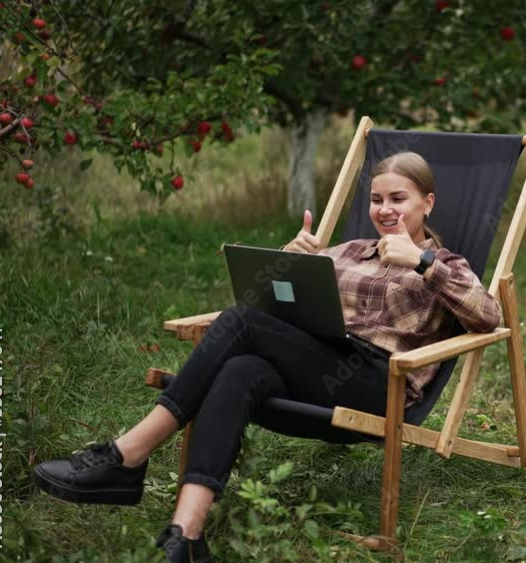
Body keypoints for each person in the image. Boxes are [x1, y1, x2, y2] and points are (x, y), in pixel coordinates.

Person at [32, 152, 501, 562]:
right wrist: (288, 259)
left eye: (398, 199)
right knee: (241, 369)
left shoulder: (447, 264)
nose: (385, 210)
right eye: (377, 200)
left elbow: (488, 315)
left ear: (427, 203)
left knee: (239, 322)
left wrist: (421, 262)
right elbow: (276, 307)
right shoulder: (350, 251)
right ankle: (186, 536)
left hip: (378, 383)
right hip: (321, 363)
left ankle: (126, 455)